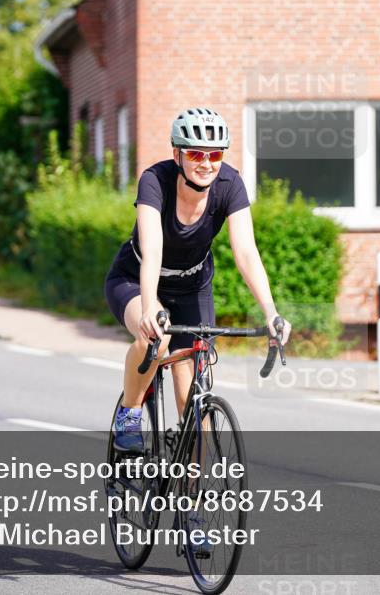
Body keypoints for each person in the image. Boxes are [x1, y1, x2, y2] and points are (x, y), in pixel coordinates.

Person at [105, 108, 292, 453]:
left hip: (192, 287)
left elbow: (246, 252)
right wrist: (149, 307)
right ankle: (129, 414)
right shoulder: (154, 181)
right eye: (195, 153)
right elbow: (153, 249)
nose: (206, 163)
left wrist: (270, 312)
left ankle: (192, 498)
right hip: (136, 280)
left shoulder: (229, 184)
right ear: (177, 155)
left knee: (193, 399)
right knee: (155, 342)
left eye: (215, 154)